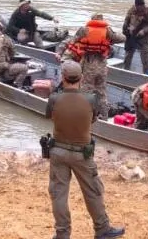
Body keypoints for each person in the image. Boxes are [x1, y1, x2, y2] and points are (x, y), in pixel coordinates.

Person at [44, 61, 125, 239]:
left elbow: (50, 116)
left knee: (59, 194)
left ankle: (62, 234)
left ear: (62, 77)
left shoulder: (54, 98)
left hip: (58, 151)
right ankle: (102, 229)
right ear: (81, 78)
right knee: (93, 191)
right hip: (83, 153)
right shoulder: (91, 99)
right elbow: (93, 119)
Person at [57, 13, 124, 120]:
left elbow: (70, 41)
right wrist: (110, 36)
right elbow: (122, 38)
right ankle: (104, 117)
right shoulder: (108, 31)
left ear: (92, 20)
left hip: (88, 64)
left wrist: (60, 52)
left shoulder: (84, 30)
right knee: (101, 92)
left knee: (85, 91)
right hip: (102, 66)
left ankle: (83, 117)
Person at [121, 0, 148, 73]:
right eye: (139, 6)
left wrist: (144, 31)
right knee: (128, 55)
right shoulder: (132, 11)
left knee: (145, 57)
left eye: (142, 5)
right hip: (131, 35)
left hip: (144, 37)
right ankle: (125, 71)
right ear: (136, 5)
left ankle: (146, 73)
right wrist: (127, 30)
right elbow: (126, 21)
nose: (141, 7)